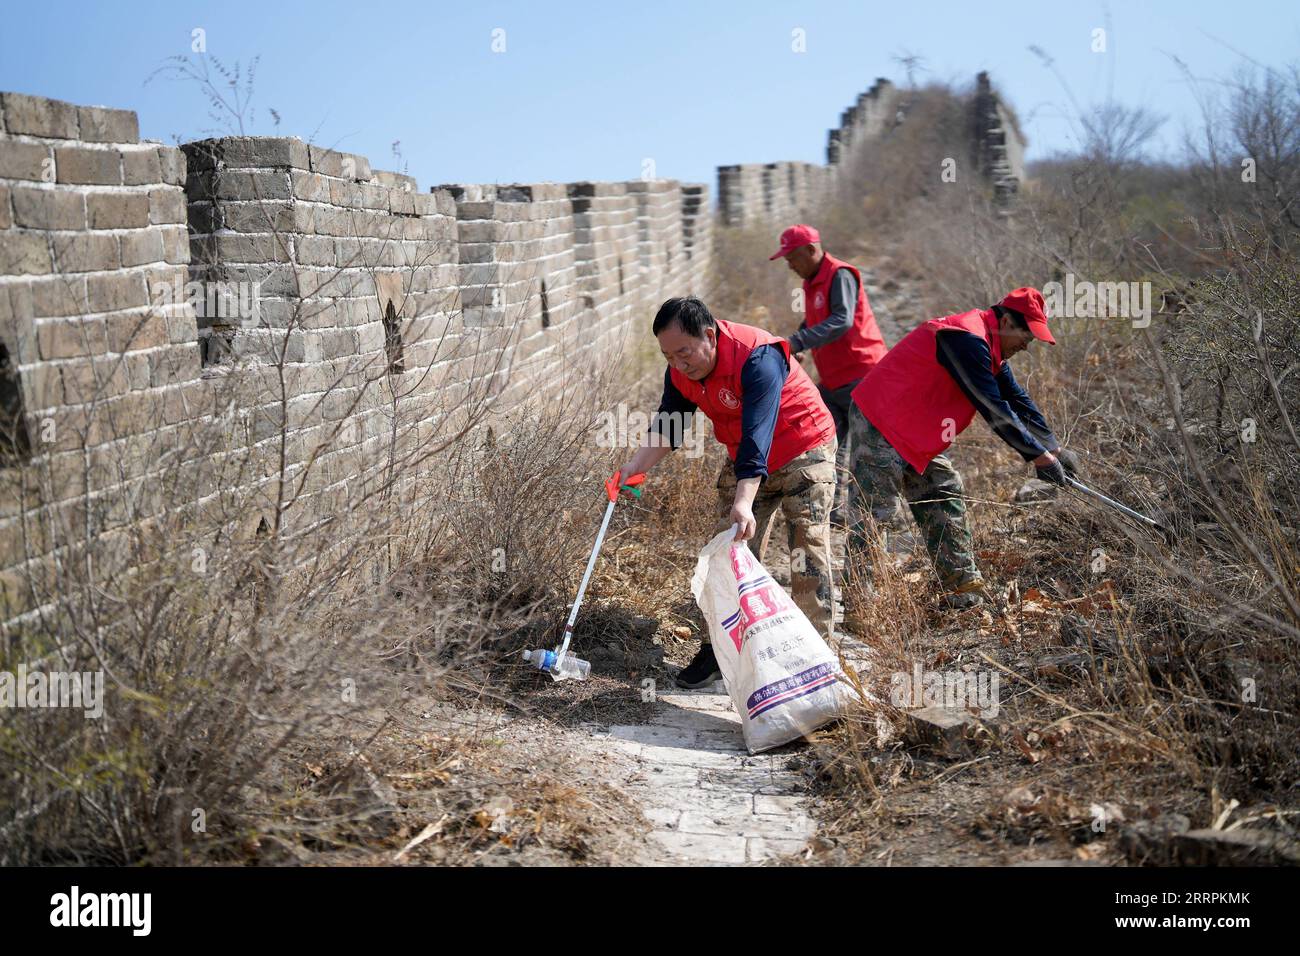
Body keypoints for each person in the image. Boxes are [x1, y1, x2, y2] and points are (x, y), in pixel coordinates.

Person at [613, 297, 839, 688]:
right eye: (668, 356)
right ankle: (720, 651)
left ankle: (816, 660)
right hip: (746, 453)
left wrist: (744, 501)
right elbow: (669, 424)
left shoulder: (757, 357)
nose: (678, 363)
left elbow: (758, 432)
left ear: (710, 335)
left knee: (807, 550)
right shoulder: (680, 371)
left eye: (684, 351)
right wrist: (634, 469)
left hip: (804, 446)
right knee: (726, 551)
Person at [844, 287, 1080, 610]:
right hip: (880, 420)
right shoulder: (965, 338)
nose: (1027, 346)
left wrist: (1054, 447)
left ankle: (962, 591)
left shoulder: (988, 345)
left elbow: (1016, 398)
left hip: (912, 429)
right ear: (1007, 321)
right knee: (875, 514)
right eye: (1026, 335)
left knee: (944, 489)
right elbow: (992, 407)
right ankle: (859, 608)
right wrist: (1038, 457)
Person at [770, 224, 888, 522]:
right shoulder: (811, 282)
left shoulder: (840, 274)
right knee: (824, 444)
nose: (791, 266)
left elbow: (841, 320)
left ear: (811, 250)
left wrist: (799, 341)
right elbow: (813, 320)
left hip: (862, 376)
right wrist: (793, 343)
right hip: (833, 382)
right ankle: (832, 511)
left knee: (865, 453)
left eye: (793, 258)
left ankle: (865, 522)